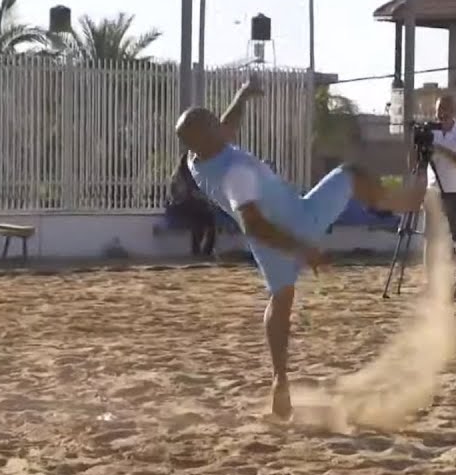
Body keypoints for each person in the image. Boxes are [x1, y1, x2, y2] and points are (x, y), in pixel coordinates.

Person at [177, 76, 426, 419]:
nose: (221, 125)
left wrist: (243, 96)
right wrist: (302, 249)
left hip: (269, 241)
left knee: (281, 298)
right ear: (205, 137)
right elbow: (254, 224)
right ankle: (396, 202)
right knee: (351, 173)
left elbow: (226, 126)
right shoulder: (235, 174)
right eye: (211, 124)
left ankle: (280, 379)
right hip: (295, 221)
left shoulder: (198, 158)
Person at [422, 95, 456, 298]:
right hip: (434, 191)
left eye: (445, 109)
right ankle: (431, 284)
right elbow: (414, 161)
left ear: (453, 111)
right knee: (431, 239)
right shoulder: (430, 133)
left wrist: (442, 150)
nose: (441, 113)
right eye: (438, 109)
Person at [165, 156, 218, 257]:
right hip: (179, 206)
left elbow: (198, 191)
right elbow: (185, 194)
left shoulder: (192, 173)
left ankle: (203, 251)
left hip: (190, 205)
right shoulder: (182, 174)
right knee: (200, 215)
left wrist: (206, 200)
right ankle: (200, 251)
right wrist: (204, 200)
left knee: (206, 217)